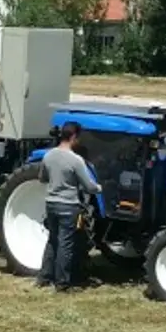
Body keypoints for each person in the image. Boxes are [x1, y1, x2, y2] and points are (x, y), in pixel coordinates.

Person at [36, 121, 100, 291]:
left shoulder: (48, 156)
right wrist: (101, 188)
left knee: (52, 240)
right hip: (68, 205)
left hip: (51, 203)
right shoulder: (76, 160)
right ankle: (62, 283)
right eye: (78, 137)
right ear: (73, 137)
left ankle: (43, 278)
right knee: (66, 244)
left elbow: (42, 178)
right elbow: (89, 186)